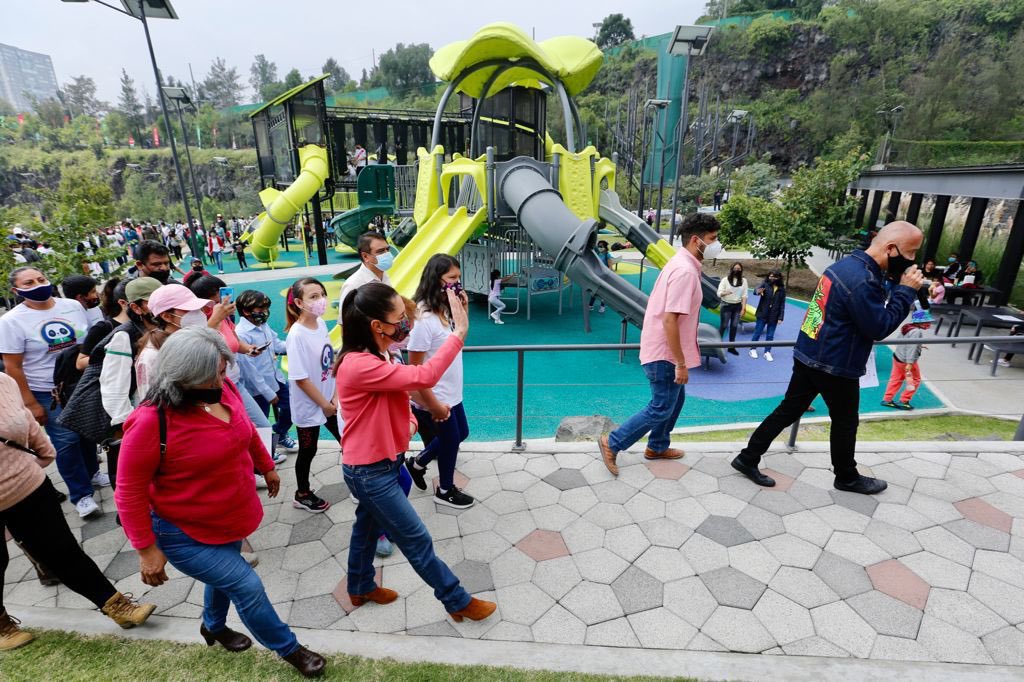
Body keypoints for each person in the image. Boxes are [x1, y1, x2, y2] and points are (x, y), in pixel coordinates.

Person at [115, 328, 326, 678]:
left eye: (222, 369)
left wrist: (267, 467)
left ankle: (212, 625)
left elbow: (243, 430)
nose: (222, 377)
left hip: (229, 518)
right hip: (182, 532)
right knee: (246, 585)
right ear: (185, 375)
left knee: (224, 573)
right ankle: (290, 649)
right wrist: (145, 549)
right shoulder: (152, 422)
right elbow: (128, 490)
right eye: (213, 372)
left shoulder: (221, 389)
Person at [336, 281, 496, 623]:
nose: (405, 323)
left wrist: (410, 422)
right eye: (399, 318)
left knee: (365, 530)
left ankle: (360, 585)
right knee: (416, 538)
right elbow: (425, 374)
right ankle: (457, 600)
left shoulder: (380, 354)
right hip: (368, 472)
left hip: (385, 464)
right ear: (377, 326)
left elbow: (406, 391)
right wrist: (460, 331)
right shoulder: (357, 364)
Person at [731, 221, 927, 494]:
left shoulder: (845, 267)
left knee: (788, 410)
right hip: (835, 363)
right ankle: (846, 477)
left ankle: (748, 457)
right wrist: (906, 291)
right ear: (892, 249)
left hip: (810, 353)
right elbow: (879, 327)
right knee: (846, 422)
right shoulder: (863, 280)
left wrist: (895, 284)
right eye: (911, 252)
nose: (914, 259)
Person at [0, 373, 156, 651]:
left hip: (28, 485)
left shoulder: (3, 382)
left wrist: (45, 451)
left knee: (63, 551)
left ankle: (115, 604)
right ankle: (1, 625)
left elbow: (24, 419)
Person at [599, 215, 714, 475]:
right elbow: (670, 319)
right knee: (661, 406)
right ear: (696, 240)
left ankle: (658, 445)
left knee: (675, 400)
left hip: (664, 350)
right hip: (665, 354)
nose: (717, 244)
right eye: (713, 239)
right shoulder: (684, 271)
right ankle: (612, 442)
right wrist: (680, 363)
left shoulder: (682, 264)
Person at [0, 267, 105, 518]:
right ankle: (81, 494)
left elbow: (87, 341)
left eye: (41, 279)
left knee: (87, 432)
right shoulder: (11, 321)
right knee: (66, 441)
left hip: (80, 382)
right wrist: (30, 403)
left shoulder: (71, 306)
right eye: (29, 282)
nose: (38, 284)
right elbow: (13, 366)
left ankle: (92, 472)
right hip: (48, 391)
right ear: (17, 291)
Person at [187, 277, 281, 463]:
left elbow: (235, 340)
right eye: (220, 297)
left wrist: (249, 349)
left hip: (235, 383)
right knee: (229, 430)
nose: (226, 301)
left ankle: (258, 465)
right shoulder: (197, 322)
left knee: (260, 425)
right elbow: (201, 345)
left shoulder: (226, 320)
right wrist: (215, 318)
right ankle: (250, 466)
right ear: (207, 301)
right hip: (213, 388)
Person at [406, 255, 473, 509]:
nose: (457, 284)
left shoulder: (445, 309)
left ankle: (417, 463)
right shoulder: (423, 319)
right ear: (436, 281)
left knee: (461, 433)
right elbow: (415, 369)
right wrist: (429, 403)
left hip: (452, 390)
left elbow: (459, 342)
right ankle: (445, 489)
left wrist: (463, 311)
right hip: (437, 395)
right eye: (452, 279)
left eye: (458, 278)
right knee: (450, 440)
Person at [286, 278, 341, 513]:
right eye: (313, 297)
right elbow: (300, 377)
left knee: (347, 440)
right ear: (298, 302)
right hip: (311, 405)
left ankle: (362, 482)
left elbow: (329, 362)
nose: (321, 301)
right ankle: (302, 493)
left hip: (329, 400)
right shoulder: (296, 335)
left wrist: (335, 395)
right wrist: (324, 405)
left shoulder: (320, 325)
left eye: (322, 294)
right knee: (308, 450)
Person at [236, 289, 298, 454]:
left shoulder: (263, 325)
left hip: (275, 378)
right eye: (260, 309)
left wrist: (295, 345)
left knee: (292, 407)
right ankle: (266, 453)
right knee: (260, 421)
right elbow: (249, 371)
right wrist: (268, 393)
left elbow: (276, 344)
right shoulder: (241, 334)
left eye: (266, 309)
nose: (264, 313)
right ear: (246, 311)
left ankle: (280, 433)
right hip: (256, 387)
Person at [882, 309, 932, 410]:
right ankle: (904, 400)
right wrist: (910, 363)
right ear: (920, 322)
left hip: (897, 358)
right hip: (906, 361)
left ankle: (887, 399)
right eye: (926, 321)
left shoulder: (907, 327)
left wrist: (919, 345)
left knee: (895, 379)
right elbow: (911, 347)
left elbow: (902, 341)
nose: (929, 323)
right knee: (915, 380)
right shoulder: (917, 332)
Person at [337, 232, 393, 319]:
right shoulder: (353, 285)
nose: (387, 254)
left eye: (387, 249)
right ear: (365, 256)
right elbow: (345, 322)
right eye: (381, 251)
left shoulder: (384, 276)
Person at [749, 270, 786, 362]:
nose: (772, 278)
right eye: (770, 276)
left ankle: (767, 352)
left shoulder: (781, 289)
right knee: (758, 332)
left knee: (770, 335)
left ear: (779, 278)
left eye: (774, 277)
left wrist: (781, 317)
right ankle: (753, 349)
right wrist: (758, 291)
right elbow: (755, 291)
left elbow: (782, 304)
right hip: (762, 314)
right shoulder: (765, 284)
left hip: (774, 316)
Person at [716, 262, 748, 356]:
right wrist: (726, 293)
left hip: (737, 306)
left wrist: (743, 308)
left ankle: (731, 347)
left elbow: (745, 295)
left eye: (739, 269)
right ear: (731, 269)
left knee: (734, 326)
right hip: (726, 305)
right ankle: (717, 345)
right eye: (735, 268)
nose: (737, 270)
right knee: (724, 325)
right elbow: (719, 293)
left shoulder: (743, 281)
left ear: (741, 270)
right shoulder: (725, 280)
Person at [589, 241, 612, 313]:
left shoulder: (607, 255)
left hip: (604, 276)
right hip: (598, 275)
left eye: (601, 246)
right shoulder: (598, 254)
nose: (600, 248)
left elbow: (610, 267)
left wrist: (607, 276)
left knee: (603, 292)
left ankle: (602, 306)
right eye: (599, 246)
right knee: (594, 290)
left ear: (605, 247)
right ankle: (590, 305)